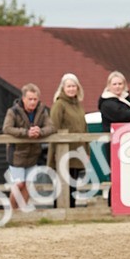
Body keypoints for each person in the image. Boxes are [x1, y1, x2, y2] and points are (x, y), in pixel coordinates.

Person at [3, 83, 56, 210]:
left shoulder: (42, 111)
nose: (33, 102)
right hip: (16, 154)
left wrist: (40, 131)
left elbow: (52, 127)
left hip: (33, 154)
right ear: (23, 99)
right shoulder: (13, 112)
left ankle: (22, 211)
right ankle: (12, 211)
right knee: (18, 184)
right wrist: (26, 133)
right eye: (30, 99)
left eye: (35, 99)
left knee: (28, 184)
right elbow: (7, 128)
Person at [98, 71, 130, 204]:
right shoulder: (106, 103)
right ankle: (113, 204)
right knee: (117, 175)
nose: (118, 87)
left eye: (120, 84)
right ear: (109, 86)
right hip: (114, 143)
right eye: (115, 84)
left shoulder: (127, 99)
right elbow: (120, 116)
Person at [47, 73, 89, 207]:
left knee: (73, 184)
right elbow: (54, 127)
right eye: (68, 86)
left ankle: (71, 210)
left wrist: (86, 151)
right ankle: (57, 211)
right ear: (63, 88)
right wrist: (54, 152)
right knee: (61, 184)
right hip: (63, 152)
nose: (71, 89)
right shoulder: (59, 104)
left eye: (73, 86)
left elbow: (84, 128)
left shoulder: (79, 106)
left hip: (78, 151)